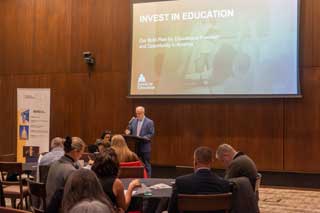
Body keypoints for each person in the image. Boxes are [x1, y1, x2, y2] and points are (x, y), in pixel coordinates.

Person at [168, 146, 231, 213]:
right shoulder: (224, 184)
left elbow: (172, 210)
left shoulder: (181, 182)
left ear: (195, 162)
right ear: (211, 161)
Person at [46, 136, 86, 213]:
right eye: (81, 153)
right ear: (75, 151)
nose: (81, 155)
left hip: (49, 206)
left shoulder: (54, 164)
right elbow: (74, 197)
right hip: (60, 209)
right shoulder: (70, 170)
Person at [125, 106, 154, 177]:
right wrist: (128, 132)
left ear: (143, 113)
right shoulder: (133, 121)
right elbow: (130, 131)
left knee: (146, 164)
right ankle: (137, 177)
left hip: (145, 146)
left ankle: (148, 179)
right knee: (136, 163)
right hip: (135, 146)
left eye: (139, 113)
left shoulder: (149, 122)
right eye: (137, 113)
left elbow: (151, 133)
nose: (138, 115)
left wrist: (143, 137)